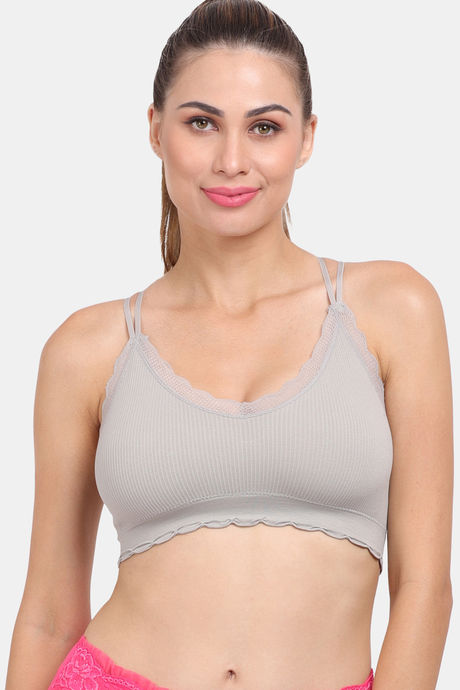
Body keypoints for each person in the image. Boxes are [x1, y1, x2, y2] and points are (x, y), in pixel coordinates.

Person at [6, 1, 453, 689]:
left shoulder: (393, 310)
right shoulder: (87, 349)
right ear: (155, 130)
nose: (232, 161)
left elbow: (425, 588)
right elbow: (46, 615)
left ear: (306, 138)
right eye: (201, 123)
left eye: (264, 127)